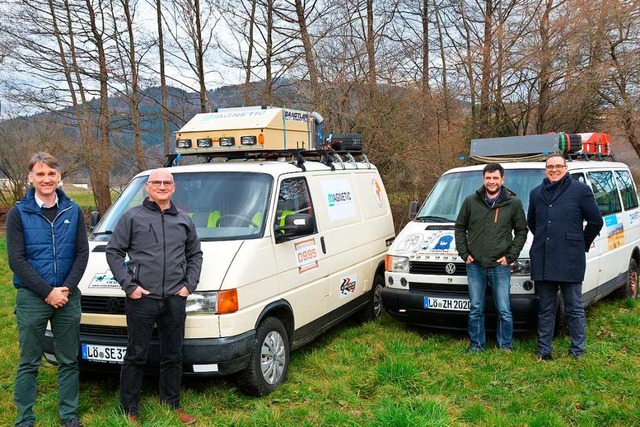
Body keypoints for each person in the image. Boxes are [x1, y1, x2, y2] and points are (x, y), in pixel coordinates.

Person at [106, 168, 203, 426]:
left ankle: (171, 405)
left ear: (173, 188)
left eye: (167, 183)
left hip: (174, 298)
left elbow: (195, 255)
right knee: (136, 354)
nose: (162, 186)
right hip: (142, 299)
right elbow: (114, 252)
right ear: (147, 188)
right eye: (156, 182)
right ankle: (130, 410)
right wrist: (130, 285)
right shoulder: (132, 217)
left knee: (173, 355)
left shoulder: (183, 219)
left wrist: (188, 285)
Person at [7, 152, 89, 427]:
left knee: (69, 360)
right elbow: (16, 260)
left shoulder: (73, 210)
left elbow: (82, 254)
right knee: (29, 361)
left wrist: (65, 288)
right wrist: (46, 292)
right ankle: (24, 418)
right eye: (40, 174)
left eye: (51, 174)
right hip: (32, 296)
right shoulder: (19, 212)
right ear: (31, 177)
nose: (46, 179)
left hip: (67, 296)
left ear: (59, 177)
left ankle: (68, 415)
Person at [528, 154, 603, 361]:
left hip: (570, 258)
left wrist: (580, 243)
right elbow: (532, 223)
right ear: (545, 169)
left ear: (566, 168)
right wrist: (546, 239)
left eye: (558, 166)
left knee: (574, 308)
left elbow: (596, 222)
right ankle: (544, 351)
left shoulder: (580, 191)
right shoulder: (536, 194)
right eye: (550, 167)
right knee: (546, 309)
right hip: (543, 258)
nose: (554, 170)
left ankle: (577, 351)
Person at [455, 163, 528, 352]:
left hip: (499, 266)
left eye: (495, 178)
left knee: (504, 309)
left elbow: (521, 231)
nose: (492, 181)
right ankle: (476, 346)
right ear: (483, 179)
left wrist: (510, 256)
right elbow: (460, 227)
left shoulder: (513, 203)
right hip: (475, 265)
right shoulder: (471, 201)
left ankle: (505, 346)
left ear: (502, 180)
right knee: (475, 308)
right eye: (488, 178)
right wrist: (464, 253)